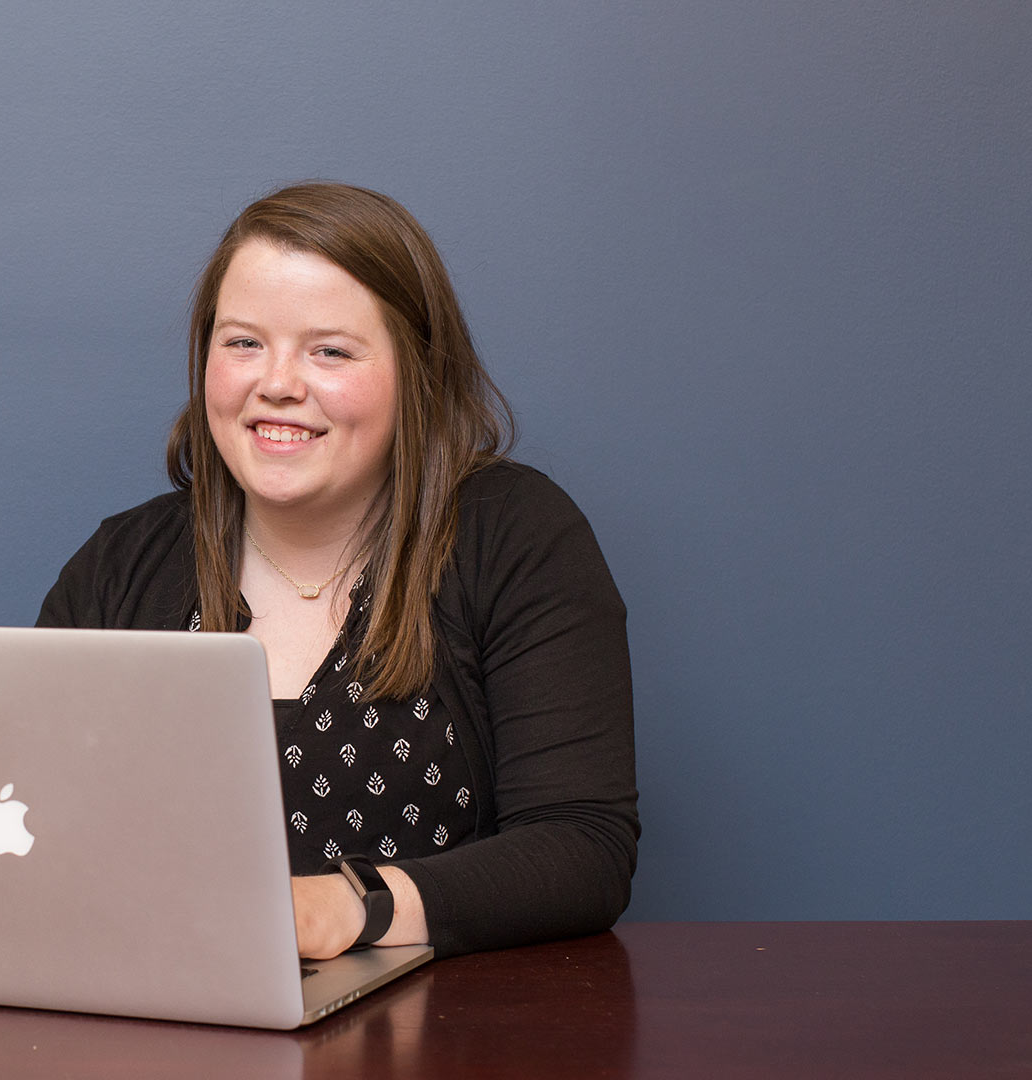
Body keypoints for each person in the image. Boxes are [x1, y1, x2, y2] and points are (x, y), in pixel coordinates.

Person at [37, 182, 638, 960]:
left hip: (446, 1037)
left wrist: (349, 908)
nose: (278, 382)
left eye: (330, 351)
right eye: (243, 342)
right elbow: (35, 824)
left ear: (415, 373)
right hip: (168, 1021)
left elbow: (581, 849)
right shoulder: (120, 565)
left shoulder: (514, 535)